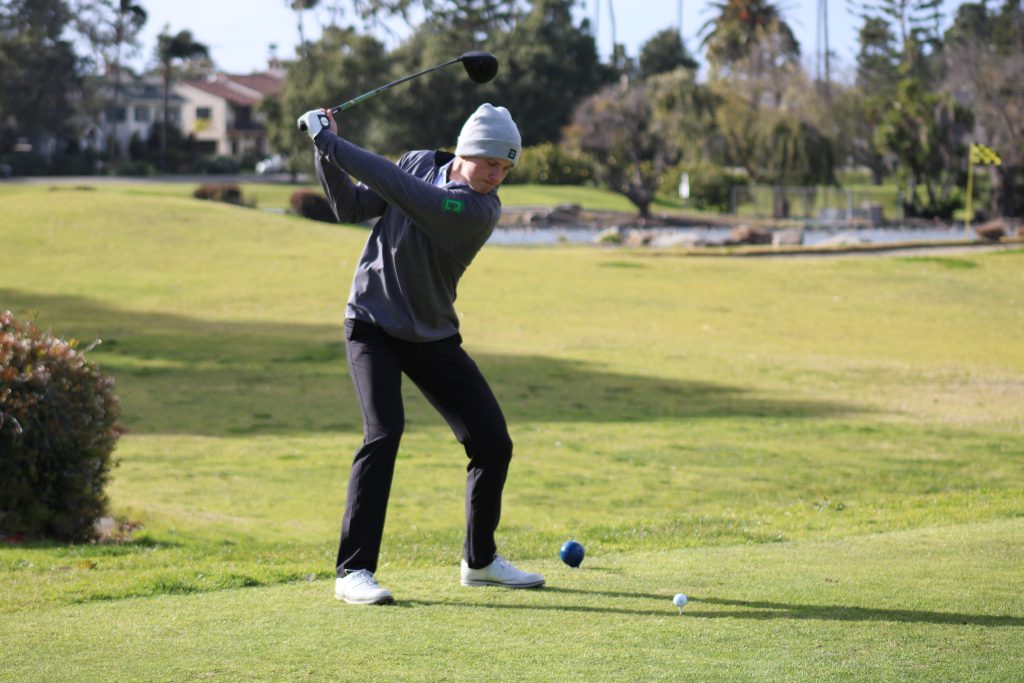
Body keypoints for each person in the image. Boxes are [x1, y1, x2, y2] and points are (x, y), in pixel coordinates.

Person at [298, 103, 545, 605]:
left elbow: (400, 189)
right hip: (371, 324)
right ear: (465, 151)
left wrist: (330, 143)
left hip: (431, 335)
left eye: (505, 168)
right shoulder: (416, 163)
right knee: (384, 432)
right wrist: (323, 149)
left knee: (492, 442)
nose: (497, 176)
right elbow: (351, 207)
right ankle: (353, 571)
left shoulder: (476, 210)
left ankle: (479, 562)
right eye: (491, 163)